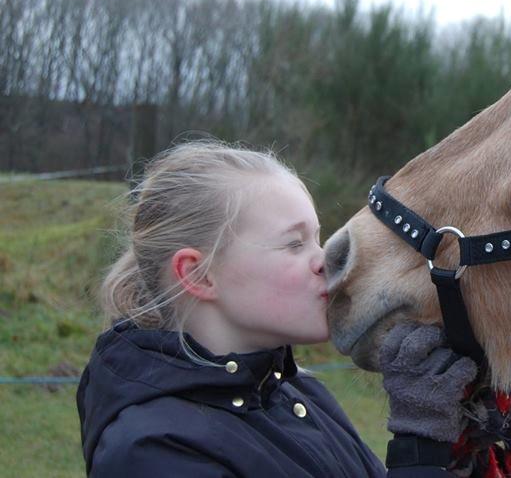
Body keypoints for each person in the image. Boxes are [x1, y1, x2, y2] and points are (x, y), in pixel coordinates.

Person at [76, 140, 478, 477]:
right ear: (198, 275)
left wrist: (463, 438)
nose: (324, 260)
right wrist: (419, 446)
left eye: (317, 238)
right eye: (293, 244)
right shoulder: (152, 453)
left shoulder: (295, 391)